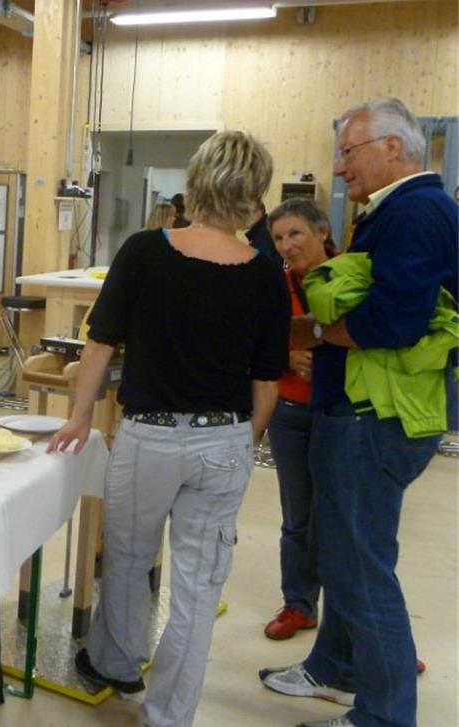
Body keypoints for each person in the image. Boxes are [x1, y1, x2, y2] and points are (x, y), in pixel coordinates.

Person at [48, 130, 289, 727]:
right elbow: (267, 378)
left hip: (149, 435)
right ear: (255, 196)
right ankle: (169, 716)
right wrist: (247, 440)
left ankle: (117, 661)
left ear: (197, 179)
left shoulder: (143, 251)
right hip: (224, 438)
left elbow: (101, 342)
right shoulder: (265, 272)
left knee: (127, 557)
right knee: (199, 588)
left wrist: (79, 416)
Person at [260, 97, 458, 727]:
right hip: (362, 408)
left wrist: (317, 329)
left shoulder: (418, 211)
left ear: (393, 149)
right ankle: (334, 667)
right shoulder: (396, 210)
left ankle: (385, 714)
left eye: (349, 152)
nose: (341, 167)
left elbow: (390, 321)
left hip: (375, 416)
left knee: (361, 568)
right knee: (349, 554)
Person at [262, 198, 336, 641]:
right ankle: (299, 604)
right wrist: (289, 357)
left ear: (322, 232)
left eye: (295, 234)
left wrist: (326, 362)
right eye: (278, 238)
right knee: (298, 516)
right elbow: (259, 347)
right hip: (290, 414)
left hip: (342, 414)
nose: (287, 245)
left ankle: (361, 627)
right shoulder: (276, 287)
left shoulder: (354, 276)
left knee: (347, 520)